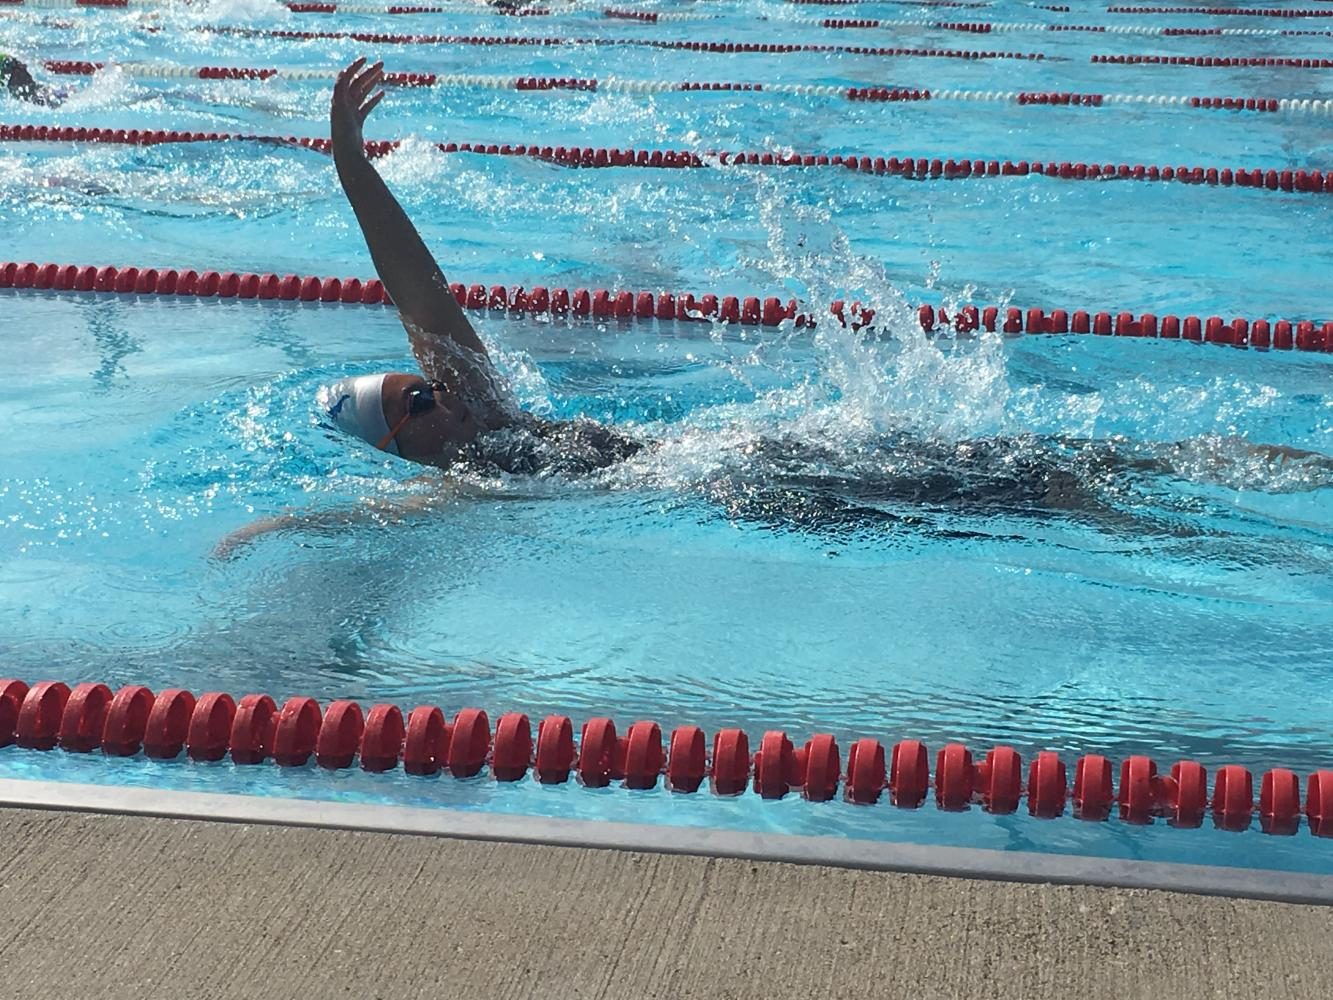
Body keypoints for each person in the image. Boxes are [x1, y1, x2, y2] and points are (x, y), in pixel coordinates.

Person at [215, 57, 1332, 557]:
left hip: (769, 463)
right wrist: (275, 528)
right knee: (1037, 491)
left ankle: (1253, 476)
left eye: (426, 375)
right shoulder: (473, 472)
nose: (439, 375)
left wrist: (353, 171)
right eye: (416, 389)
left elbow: (425, 294)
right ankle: (1265, 540)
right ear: (408, 435)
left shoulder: (493, 419)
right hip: (763, 493)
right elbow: (378, 521)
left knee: (1032, 466)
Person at [322, 57, 640, 477]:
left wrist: (351, 161)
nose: (441, 392)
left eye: (428, 384)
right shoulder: (463, 489)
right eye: (418, 401)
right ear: (394, 446)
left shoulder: (487, 414)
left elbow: (417, 286)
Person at [0, 53, 66, 106]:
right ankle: (60, 93)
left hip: (11, 67)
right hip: (12, 68)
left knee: (35, 96)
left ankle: (60, 94)